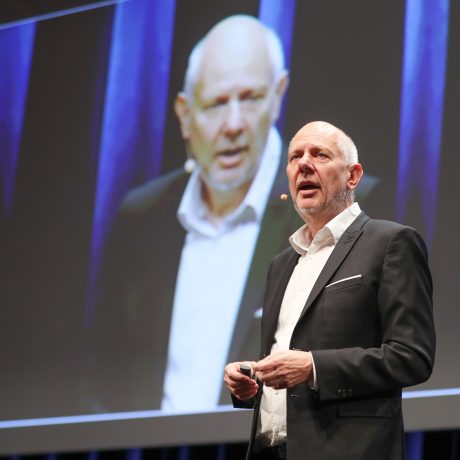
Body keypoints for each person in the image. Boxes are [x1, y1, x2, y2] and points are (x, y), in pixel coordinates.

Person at [83, 15, 300, 414]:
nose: (233, 124)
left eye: (250, 98)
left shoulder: (325, 210)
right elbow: (101, 373)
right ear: (184, 115)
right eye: (216, 104)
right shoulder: (141, 214)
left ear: (277, 96)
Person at [224, 121, 436, 460]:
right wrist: (253, 382)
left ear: (353, 176)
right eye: (295, 157)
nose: (304, 164)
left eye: (320, 154)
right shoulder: (281, 264)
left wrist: (313, 368)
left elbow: (411, 357)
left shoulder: (390, 243)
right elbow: (288, 365)